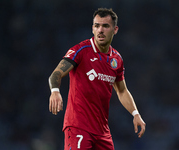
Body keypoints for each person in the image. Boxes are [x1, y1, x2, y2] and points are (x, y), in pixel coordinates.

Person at [48, 8, 146, 150]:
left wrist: (135, 114)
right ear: (92, 28)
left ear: (115, 29)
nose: (100, 30)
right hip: (78, 127)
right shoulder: (80, 50)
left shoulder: (116, 59)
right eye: (97, 25)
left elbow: (122, 91)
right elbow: (56, 74)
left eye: (105, 26)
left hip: (102, 132)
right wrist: (55, 91)